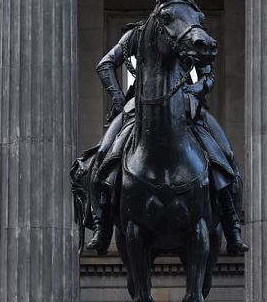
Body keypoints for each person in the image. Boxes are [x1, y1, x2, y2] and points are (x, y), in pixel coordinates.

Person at [82, 22, 250, 255]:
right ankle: (101, 224)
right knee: (103, 155)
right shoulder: (137, 34)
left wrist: (198, 88)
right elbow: (106, 64)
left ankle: (232, 225)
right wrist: (119, 100)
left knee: (227, 156)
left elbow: (208, 74)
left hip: (188, 106)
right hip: (139, 107)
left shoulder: (189, 33)